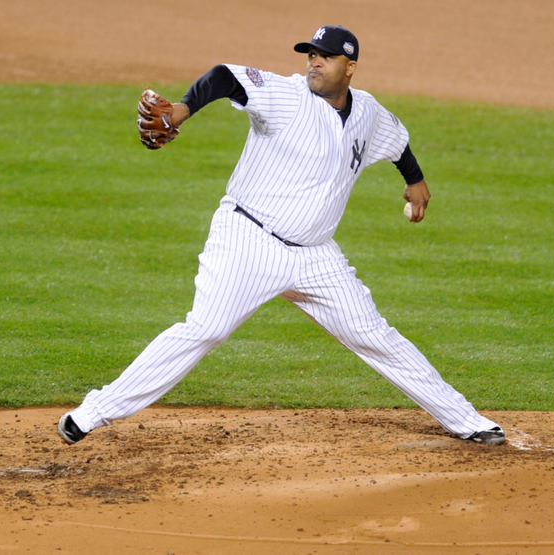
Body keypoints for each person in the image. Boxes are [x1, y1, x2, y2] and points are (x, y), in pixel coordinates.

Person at [58, 25, 505, 446]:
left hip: (317, 258)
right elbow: (224, 77)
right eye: (311, 55)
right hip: (249, 240)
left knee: (376, 335)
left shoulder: (366, 111)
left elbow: (396, 141)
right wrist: (181, 110)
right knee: (206, 329)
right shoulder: (286, 96)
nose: (314, 63)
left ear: (349, 67)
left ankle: (468, 421)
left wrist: (415, 181)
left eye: (326, 58)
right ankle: (94, 411)